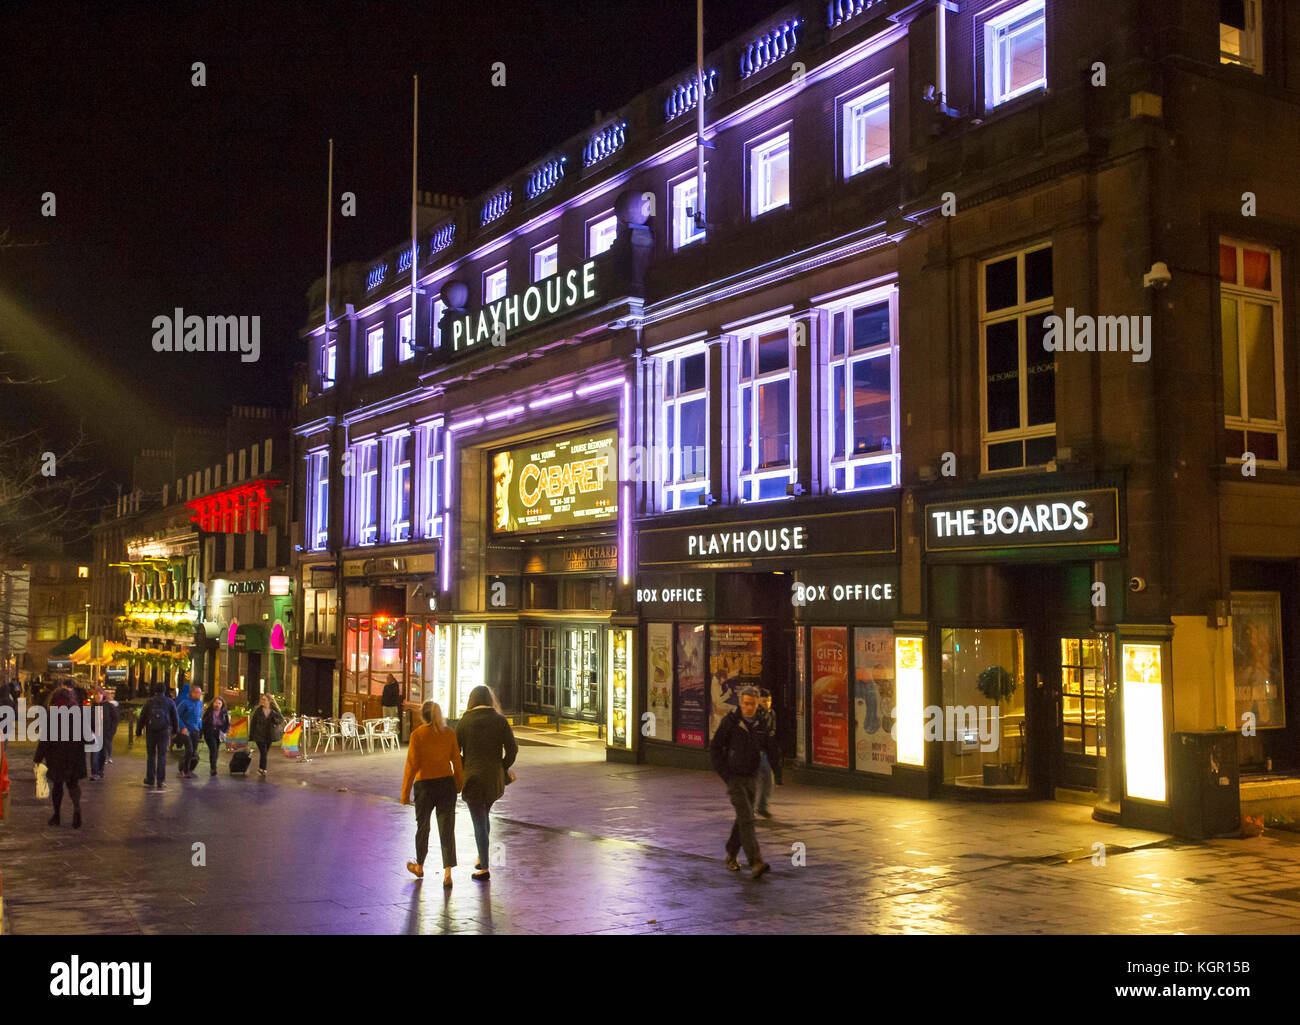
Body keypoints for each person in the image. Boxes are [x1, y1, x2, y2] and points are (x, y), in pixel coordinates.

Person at [709, 686, 782, 879]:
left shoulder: (760, 723)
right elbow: (715, 749)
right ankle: (756, 861)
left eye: (752, 704)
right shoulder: (731, 722)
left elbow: (771, 747)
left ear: (757, 704)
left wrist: (778, 772)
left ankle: (731, 854)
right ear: (740, 703)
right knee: (747, 818)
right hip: (734, 778)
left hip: (751, 776)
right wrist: (726, 774)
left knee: (744, 817)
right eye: (745, 703)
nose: (748, 707)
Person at [456, 685, 517, 881]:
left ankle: (484, 866)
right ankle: (482, 856)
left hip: (472, 778)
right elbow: (512, 749)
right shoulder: (500, 721)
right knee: (484, 815)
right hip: (493, 779)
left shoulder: (465, 721)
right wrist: (502, 766)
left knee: (478, 821)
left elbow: (454, 751)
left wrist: (465, 765)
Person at [401, 700, 463, 888]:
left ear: (423, 716)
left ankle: (419, 866)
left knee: (423, 826)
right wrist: (458, 785)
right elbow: (457, 762)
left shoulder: (417, 735)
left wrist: (405, 793)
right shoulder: (449, 734)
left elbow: (412, 765)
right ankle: (447, 874)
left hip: (424, 785)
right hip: (446, 784)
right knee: (447, 828)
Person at [33, 686, 88, 827]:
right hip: (74, 756)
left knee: (58, 785)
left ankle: (56, 815)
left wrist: (38, 758)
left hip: (56, 756)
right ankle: (77, 808)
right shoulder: (78, 714)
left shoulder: (52, 715)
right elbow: (88, 737)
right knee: (73, 784)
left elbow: (45, 740)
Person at [136, 682, 180, 791]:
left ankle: (150, 779)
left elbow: (142, 716)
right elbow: (175, 717)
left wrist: (138, 731)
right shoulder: (170, 702)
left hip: (151, 731)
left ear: (154, 690)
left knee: (151, 755)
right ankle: (161, 781)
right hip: (164, 731)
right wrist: (175, 731)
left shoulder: (150, 702)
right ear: (164, 690)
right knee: (162, 755)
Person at [249, 693, 284, 778]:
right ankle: (262, 769)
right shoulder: (258, 710)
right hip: (259, 734)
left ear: (269, 701)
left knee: (265, 752)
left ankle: (262, 768)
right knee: (263, 752)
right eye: (262, 699)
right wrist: (251, 735)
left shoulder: (274, 710)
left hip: (269, 735)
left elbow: (281, 720)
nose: (262, 701)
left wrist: (274, 719)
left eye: (264, 699)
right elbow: (253, 723)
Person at [89, 689, 120, 781]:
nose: (98, 696)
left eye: (100, 694)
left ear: (103, 695)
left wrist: (111, 732)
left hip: (104, 734)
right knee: (94, 754)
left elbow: (115, 719)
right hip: (94, 735)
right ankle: (94, 773)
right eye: (96, 694)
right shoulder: (91, 707)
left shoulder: (109, 707)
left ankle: (100, 771)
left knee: (102, 754)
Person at [755, 688, 776, 818]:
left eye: (769, 700)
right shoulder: (755, 713)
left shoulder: (772, 714)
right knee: (751, 781)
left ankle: (762, 806)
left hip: (763, 751)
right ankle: (750, 809)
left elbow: (772, 731)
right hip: (753, 751)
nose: (767, 703)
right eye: (764, 701)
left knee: (768, 779)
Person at [174, 684, 204, 778]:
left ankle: (184, 766)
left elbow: (199, 716)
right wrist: (183, 727)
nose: (199, 694)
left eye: (200, 693)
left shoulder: (199, 703)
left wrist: (199, 726)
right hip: (186, 731)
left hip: (195, 730)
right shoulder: (185, 703)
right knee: (189, 750)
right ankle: (185, 771)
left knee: (194, 752)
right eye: (197, 693)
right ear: (192, 693)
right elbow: (176, 715)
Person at [202, 696, 231, 776]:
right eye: (216, 703)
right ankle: (213, 768)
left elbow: (228, 724)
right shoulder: (208, 712)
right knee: (214, 749)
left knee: (215, 750)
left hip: (219, 733)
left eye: (219, 703)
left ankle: (213, 766)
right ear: (213, 703)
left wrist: (225, 732)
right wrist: (203, 733)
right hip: (210, 733)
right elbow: (204, 723)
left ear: (222, 704)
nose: (217, 705)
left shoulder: (224, 713)